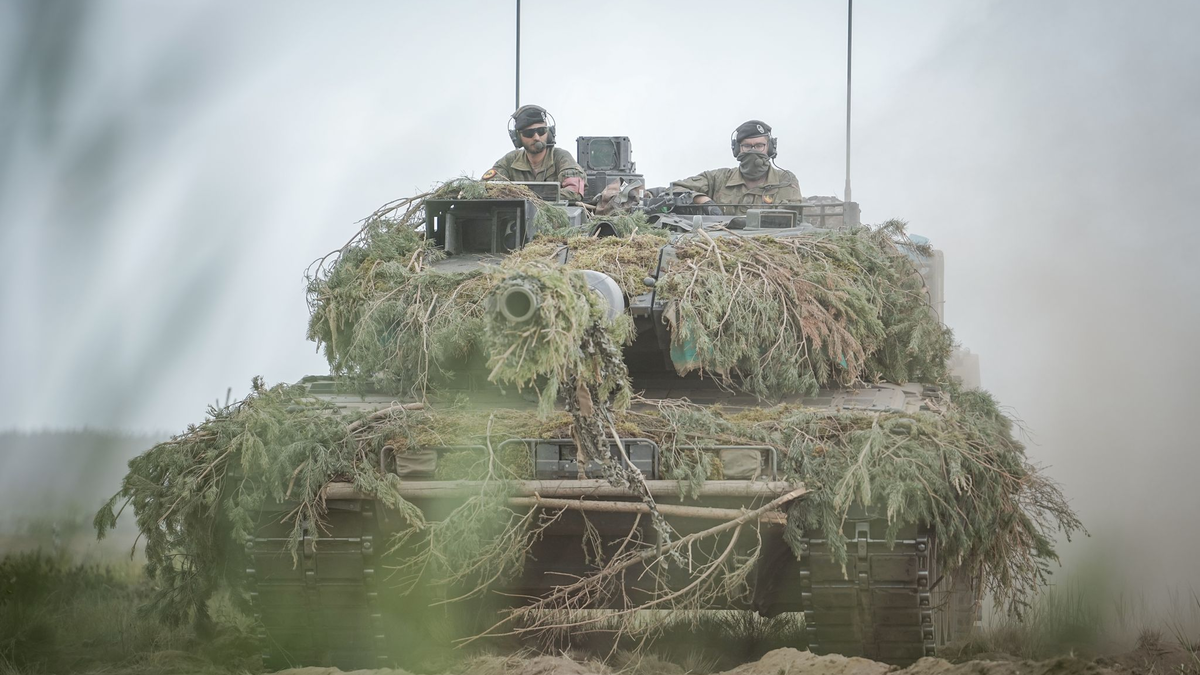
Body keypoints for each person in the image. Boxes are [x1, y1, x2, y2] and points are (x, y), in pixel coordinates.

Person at [670, 120, 802, 210]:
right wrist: (702, 200)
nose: (753, 151)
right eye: (746, 146)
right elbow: (674, 189)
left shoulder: (785, 180)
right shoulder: (718, 178)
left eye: (759, 145)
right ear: (737, 149)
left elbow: (792, 217)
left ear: (770, 148)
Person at [483, 105, 587, 202]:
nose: (536, 137)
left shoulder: (561, 157)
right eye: (529, 133)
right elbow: (485, 188)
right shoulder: (510, 160)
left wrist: (529, 197)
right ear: (518, 137)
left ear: (549, 132)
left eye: (541, 131)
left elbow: (574, 192)